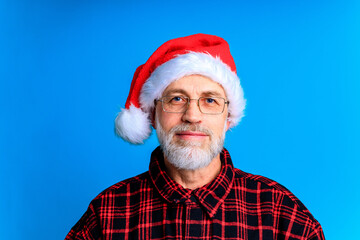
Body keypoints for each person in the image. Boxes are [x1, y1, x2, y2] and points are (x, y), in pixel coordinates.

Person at [65, 34, 325, 239]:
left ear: (228, 118)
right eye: (176, 99)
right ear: (153, 115)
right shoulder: (106, 214)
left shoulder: (283, 214)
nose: (192, 115)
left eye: (209, 100)